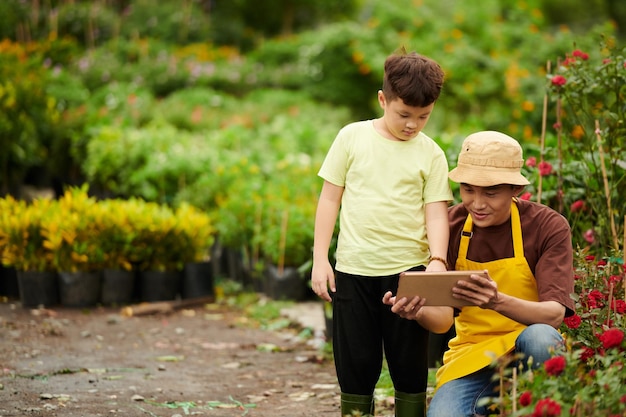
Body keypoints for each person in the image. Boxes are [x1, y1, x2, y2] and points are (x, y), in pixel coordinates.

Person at [383, 130, 575, 417]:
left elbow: (553, 315)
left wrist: (496, 301)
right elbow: (442, 322)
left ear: (515, 190)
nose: (477, 203)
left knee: (541, 338)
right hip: (475, 354)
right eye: (468, 189)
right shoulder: (449, 225)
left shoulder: (547, 226)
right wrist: (417, 311)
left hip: (528, 341)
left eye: (491, 192)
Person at [311, 48, 453, 417]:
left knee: (409, 368)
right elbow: (329, 200)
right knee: (356, 364)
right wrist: (319, 260)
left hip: (409, 272)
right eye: (404, 114)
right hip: (354, 270)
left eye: (423, 116)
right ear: (382, 99)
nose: (412, 125)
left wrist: (437, 262)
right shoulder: (351, 138)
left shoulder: (431, 154)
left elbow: (436, 213)